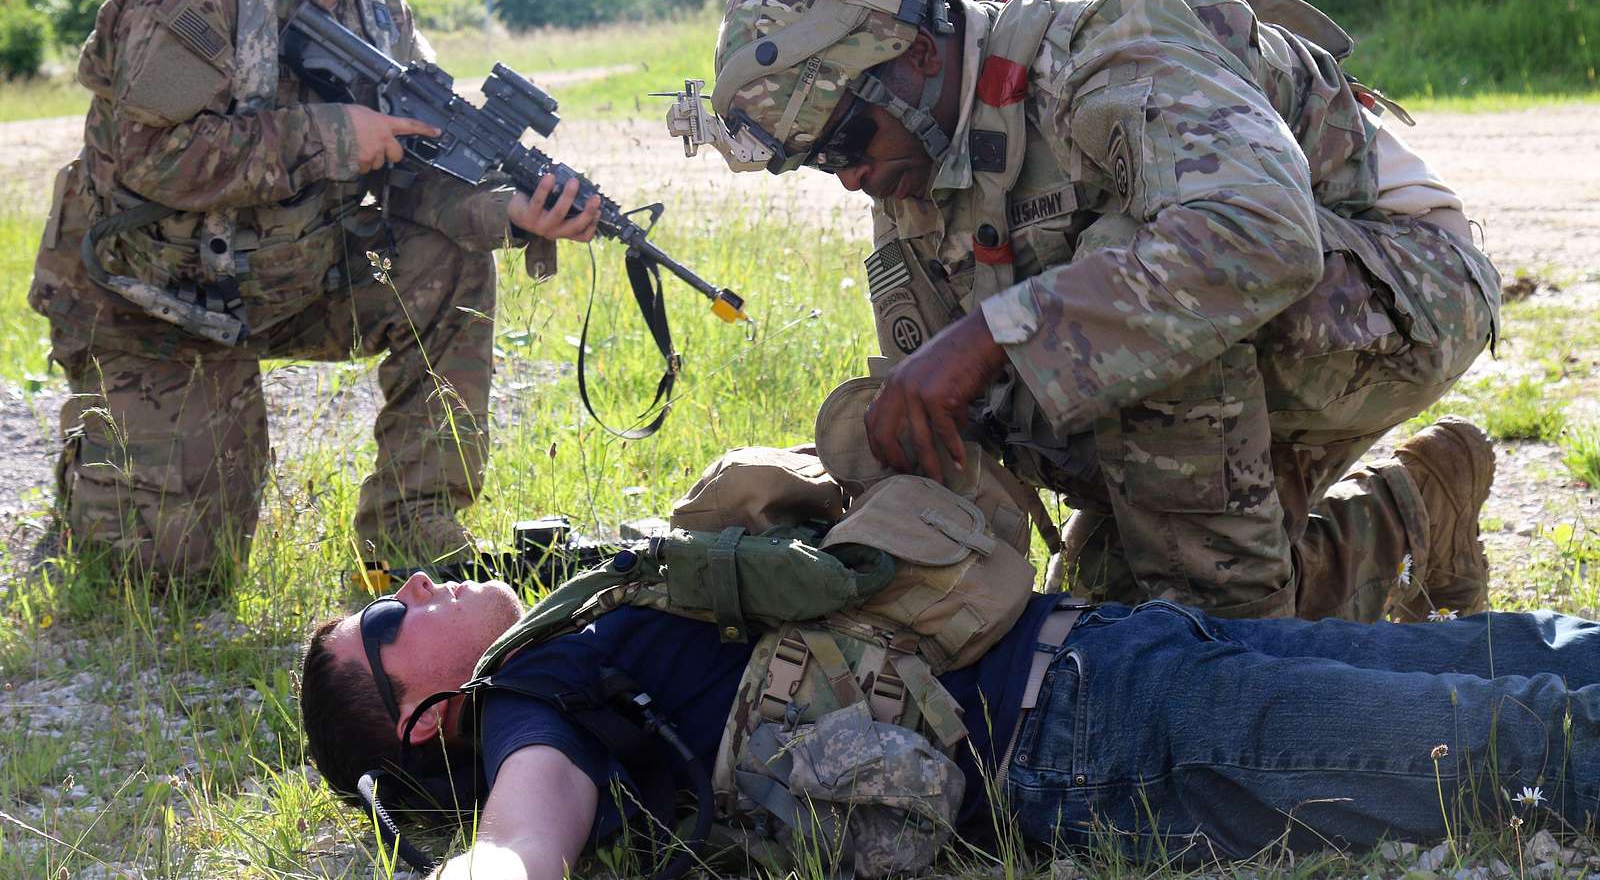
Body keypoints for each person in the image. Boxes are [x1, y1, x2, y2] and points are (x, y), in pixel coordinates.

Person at [680, 0, 1503, 622]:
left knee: (1188, 631)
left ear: (917, 57)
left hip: (1403, 286)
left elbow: (1258, 234)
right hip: (1245, 342)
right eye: (825, 160)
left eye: (851, 139)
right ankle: (1412, 515)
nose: (853, 175)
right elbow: (974, 414)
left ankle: (1232, 650)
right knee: (1109, 614)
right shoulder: (913, 177)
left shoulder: (1105, 38)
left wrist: (988, 339)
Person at [27, 0, 601, 591]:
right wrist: (333, 136)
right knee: (164, 582)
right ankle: (97, 494)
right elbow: (151, 161)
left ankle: (411, 536)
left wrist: (510, 211)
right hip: (151, 296)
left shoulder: (381, 10)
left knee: (451, 259)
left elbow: (415, 170)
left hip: (281, 277)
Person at [300, 571, 1600, 878]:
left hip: (1115, 642)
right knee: (1519, 744)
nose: (418, 584)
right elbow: (523, 845)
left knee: (1511, 652)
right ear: (424, 721)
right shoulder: (538, 705)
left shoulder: (572, 611)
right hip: (1094, 743)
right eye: (390, 618)